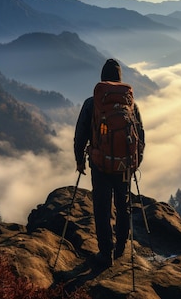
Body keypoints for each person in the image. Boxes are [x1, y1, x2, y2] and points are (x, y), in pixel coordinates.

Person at [74, 58, 145, 268]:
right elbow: (140, 135)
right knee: (123, 206)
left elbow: (80, 135)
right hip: (124, 167)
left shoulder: (92, 103)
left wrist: (80, 161)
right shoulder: (131, 105)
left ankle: (106, 254)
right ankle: (122, 246)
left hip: (100, 165)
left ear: (102, 79)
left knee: (102, 208)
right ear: (120, 79)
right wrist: (134, 163)